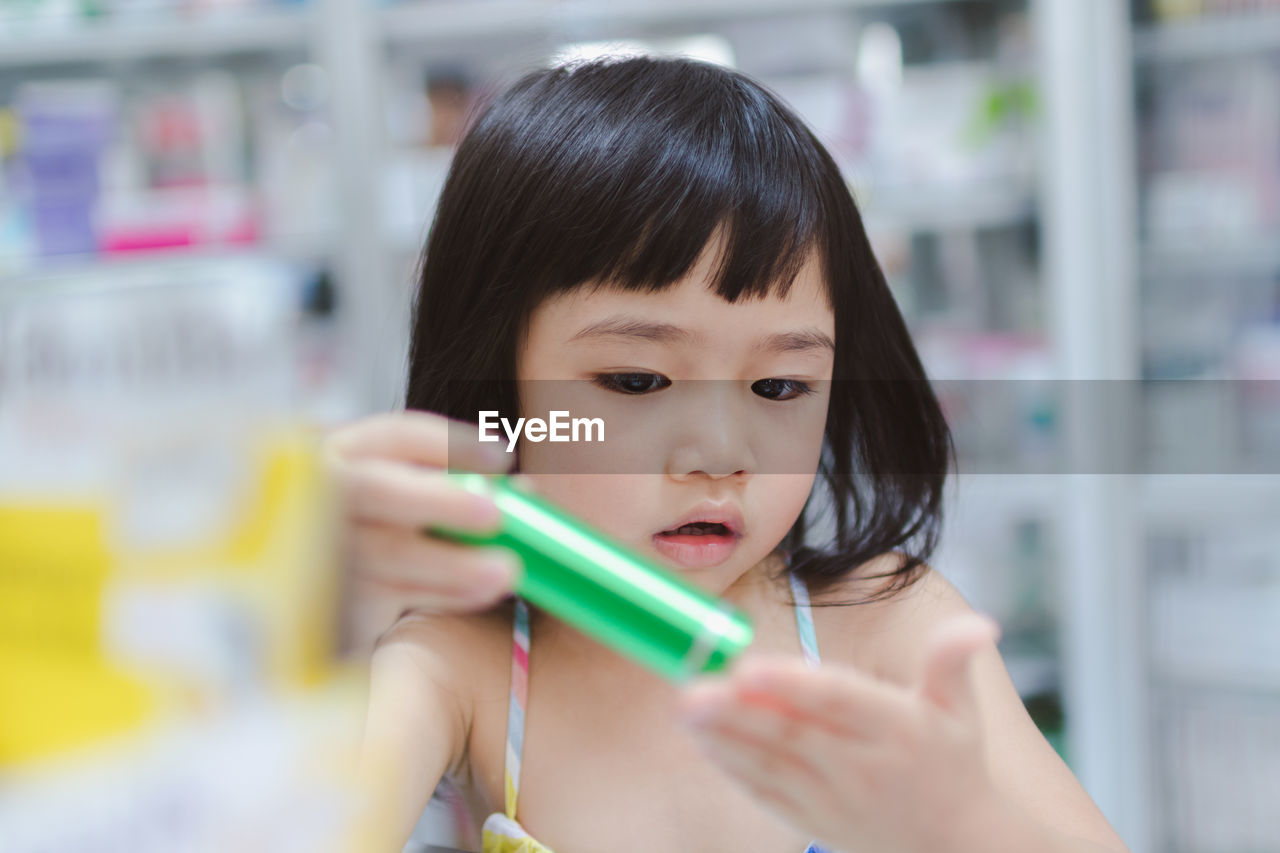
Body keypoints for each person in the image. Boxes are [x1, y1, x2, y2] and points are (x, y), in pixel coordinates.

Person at [326, 56, 1129, 853]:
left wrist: (964, 824)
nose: (720, 453)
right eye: (637, 379)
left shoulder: (886, 622)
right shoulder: (462, 662)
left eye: (779, 387)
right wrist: (314, 595)